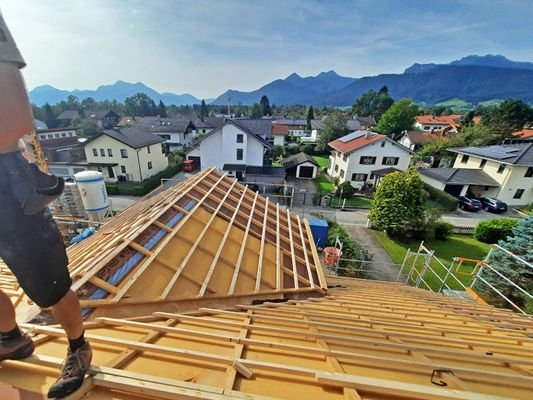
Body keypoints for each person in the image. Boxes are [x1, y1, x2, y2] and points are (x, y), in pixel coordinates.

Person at [0, 11, 92, 398]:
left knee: (47, 283)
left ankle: (78, 347)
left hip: (6, 184)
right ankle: (9, 336)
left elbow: (17, 118)